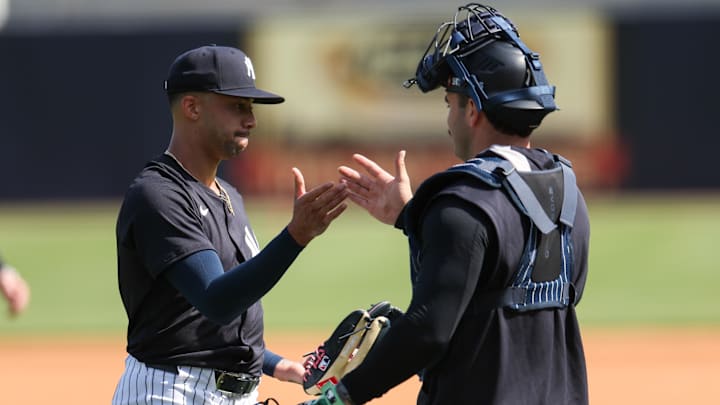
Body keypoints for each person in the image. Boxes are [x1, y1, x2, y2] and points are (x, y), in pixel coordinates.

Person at [323, 4, 591, 404]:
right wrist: (409, 215)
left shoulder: (460, 202)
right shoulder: (568, 192)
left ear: (472, 108)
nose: (448, 118)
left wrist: (341, 396)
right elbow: (517, 282)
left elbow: (428, 331)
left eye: (449, 102)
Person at [112, 44, 348, 405]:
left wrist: (275, 363)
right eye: (237, 106)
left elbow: (207, 323)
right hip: (170, 393)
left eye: (250, 108)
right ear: (192, 107)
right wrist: (295, 237)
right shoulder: (158, 195)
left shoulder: (230, 196)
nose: (251, 119)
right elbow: (216, 300)